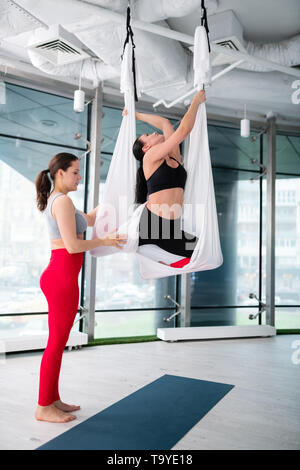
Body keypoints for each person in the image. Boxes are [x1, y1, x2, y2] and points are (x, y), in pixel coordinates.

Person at [34, 152, 127, 423]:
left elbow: (89, 220)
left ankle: (52, 399)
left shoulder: (65, 201)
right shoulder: (61, 202)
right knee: (55, 344)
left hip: (62, 277)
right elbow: (73, 246)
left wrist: (112, 194)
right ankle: (43, 406)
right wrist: (106, 241)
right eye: (75, 171)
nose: (80, 176)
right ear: (60, 173)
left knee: (58, 342)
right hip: (60, 279)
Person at [125, 89, 206, 268]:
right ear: (146, 148)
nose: (153, 133)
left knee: (204, 249)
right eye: (148, 136)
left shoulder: (174, 157)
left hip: (168, 228)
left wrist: (136, 115)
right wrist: (196, 101)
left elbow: (165, 122)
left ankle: (165, 261)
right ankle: (164, 261)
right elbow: (183, 130)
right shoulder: (150, 158)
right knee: (203, 249)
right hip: (155, 226)